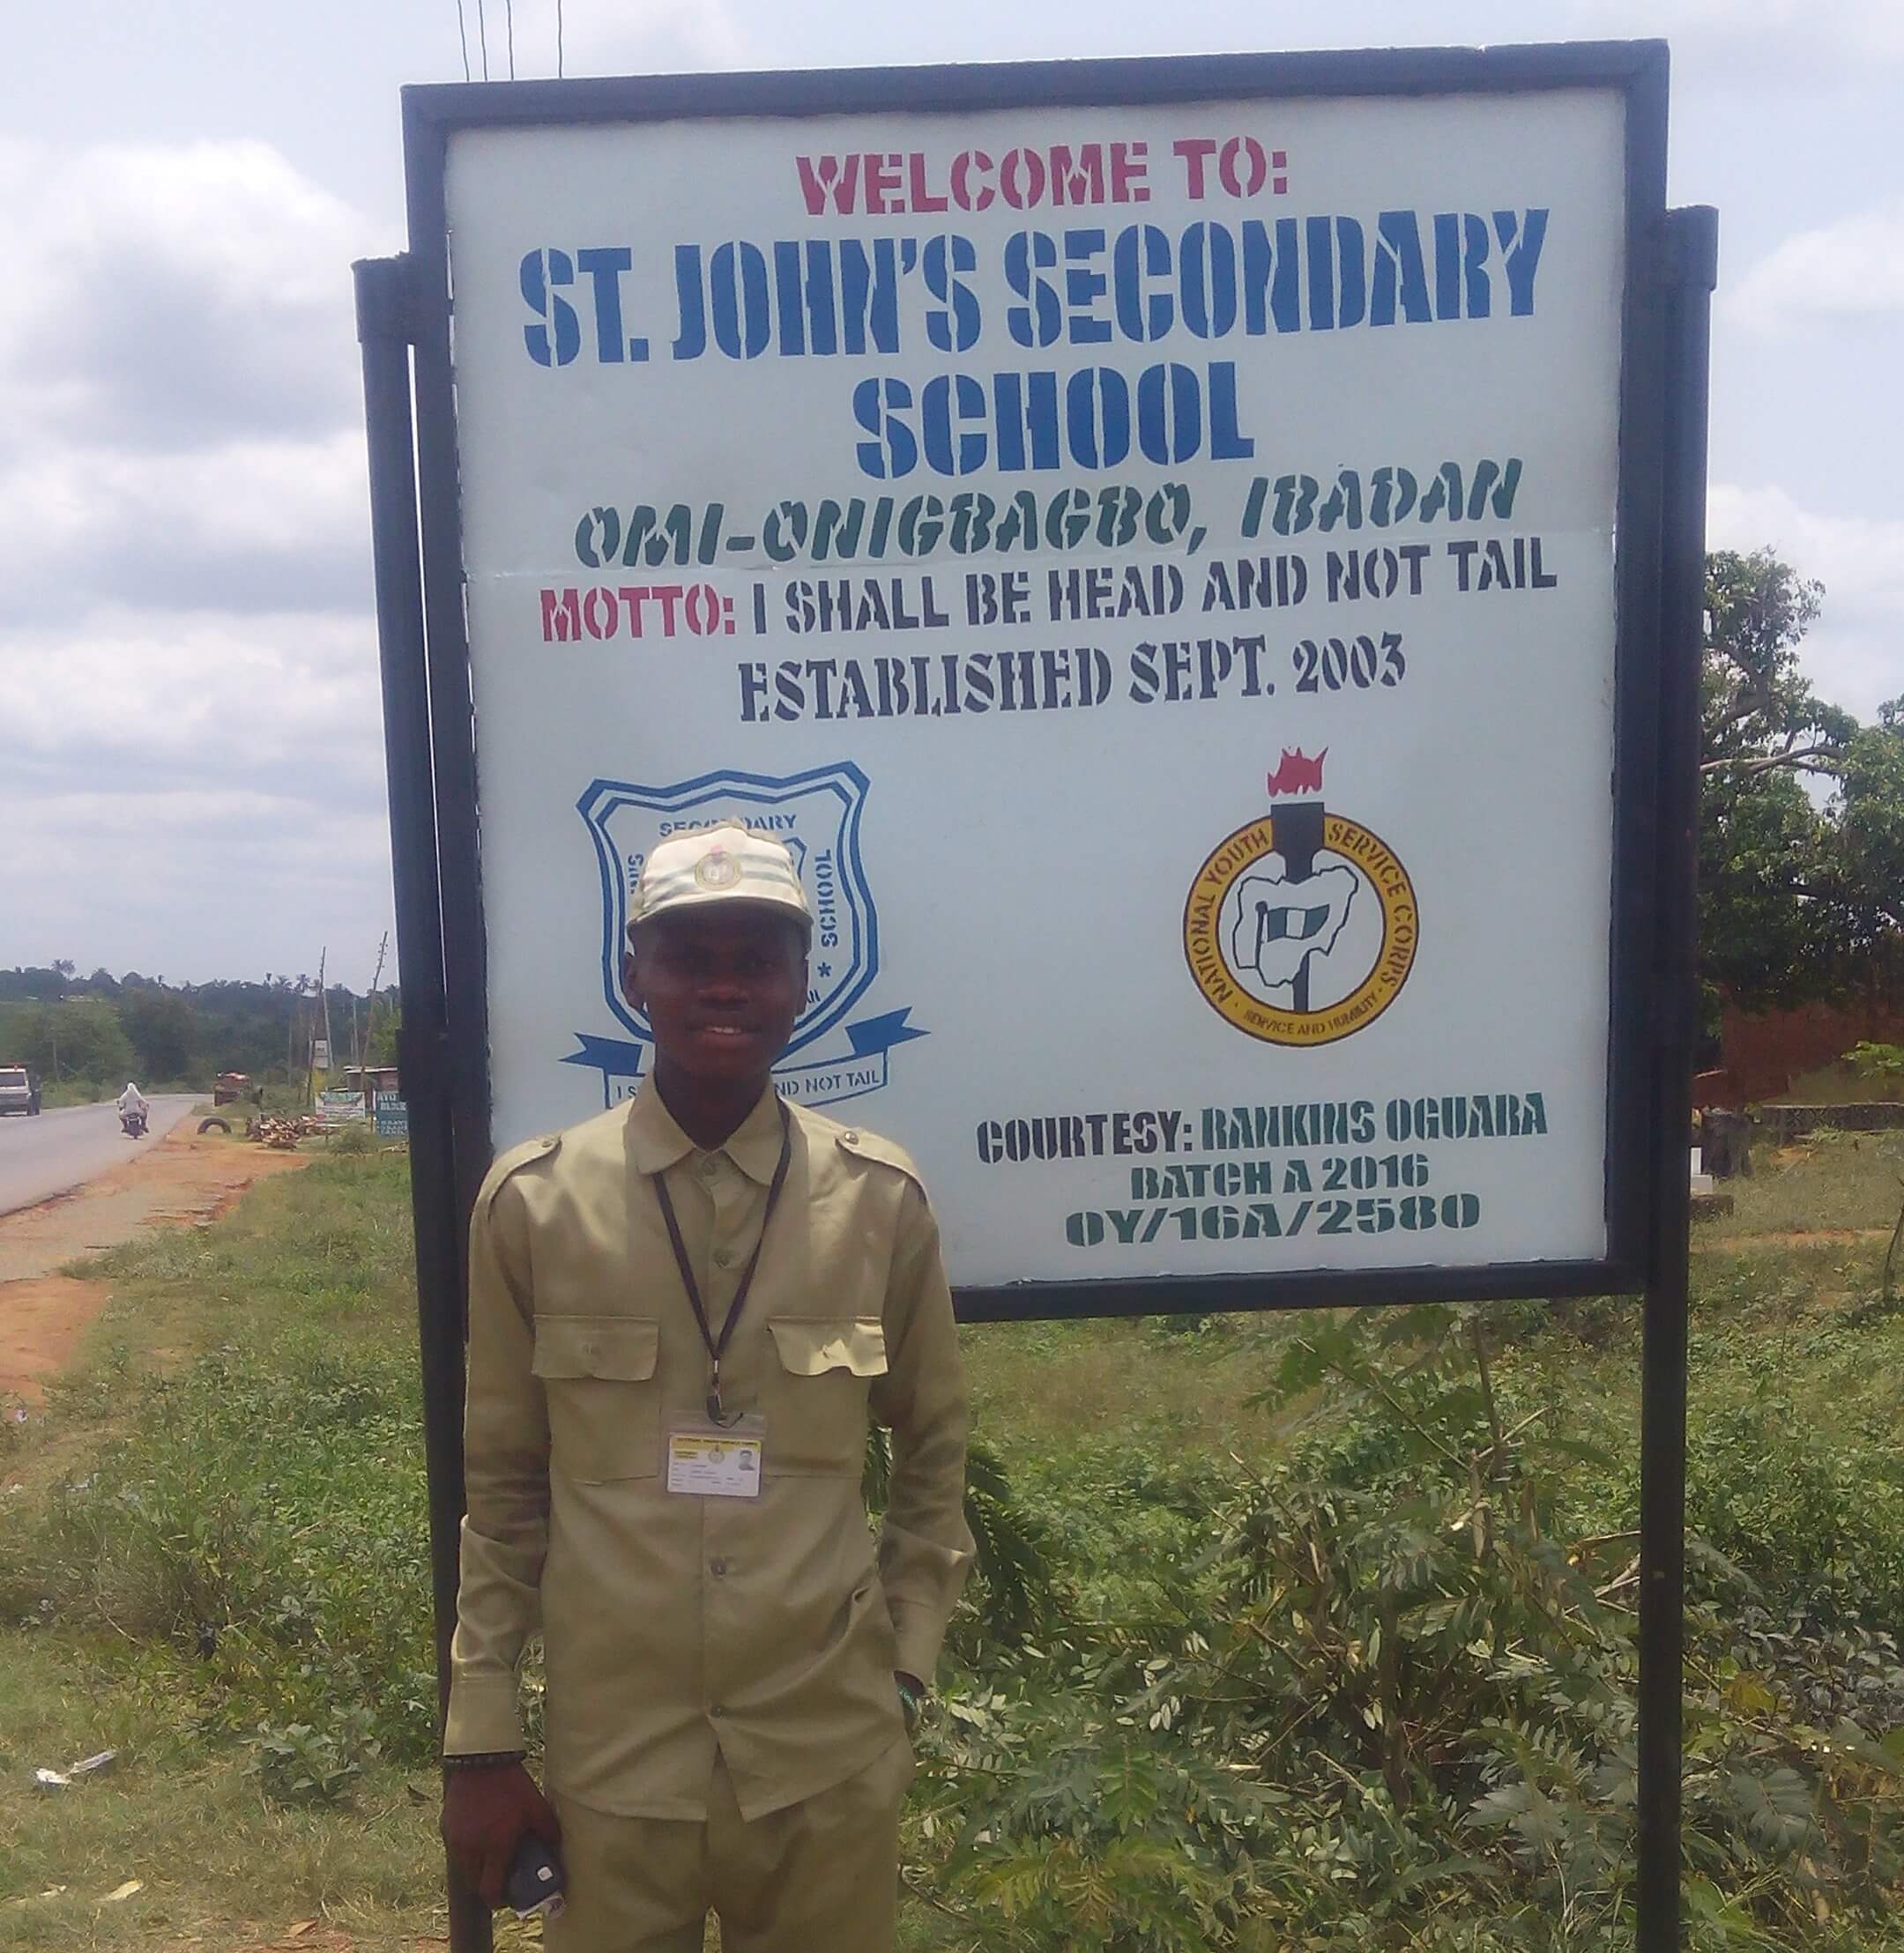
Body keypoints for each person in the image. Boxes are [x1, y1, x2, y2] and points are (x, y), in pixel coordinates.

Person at [441, 821, 973, 1952]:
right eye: (689, 954)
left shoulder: (881, 1201)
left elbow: (936, 1447)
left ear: (802, 980)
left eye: (758, 953)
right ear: (635, 973)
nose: (724, 981)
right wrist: (482, 1736)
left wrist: (909, 1667)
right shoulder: (532, 1206)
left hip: (827, 1757)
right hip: (615, 1769)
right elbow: (502, 1491)